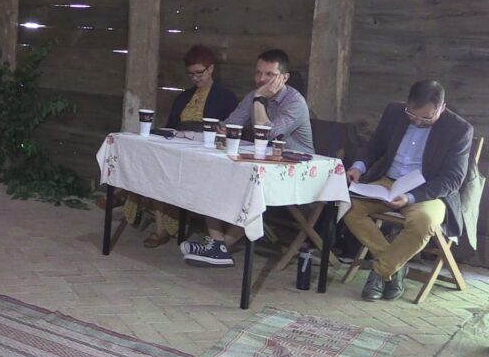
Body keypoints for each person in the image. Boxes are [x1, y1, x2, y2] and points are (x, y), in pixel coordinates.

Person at [181, 49, 314, 267]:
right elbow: (228, 125)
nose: (261, 79)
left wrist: (260, 99)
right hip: (262, 164)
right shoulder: (253, 96)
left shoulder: (294, 102)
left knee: (249, 188)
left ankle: (219, 247)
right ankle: (218, 244)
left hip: (295, 171)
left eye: (269, 74)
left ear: (284, 78)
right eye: (258, 73)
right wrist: (217, 131)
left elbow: (266, 133)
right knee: (211, 175)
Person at [344, 80, 473, 301]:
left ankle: (383, 270)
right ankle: (397, 265)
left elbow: (452, 179)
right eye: (412, 114)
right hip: (387, 181)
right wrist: (358, 167)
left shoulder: (459, 129)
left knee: (424, 222)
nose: (417, 121)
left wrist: (411, 197)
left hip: (428, 191)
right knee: (347, 205)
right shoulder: (395, 111)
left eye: (426, 118)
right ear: (407, 103)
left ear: (442, 108)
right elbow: (375, 145)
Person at [137, 45, 238, 247]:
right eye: (191, 74)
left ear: (211, 69)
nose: (195, 78)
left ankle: (123, 197)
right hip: (180, 144)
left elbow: (228, 131)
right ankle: (160, 228)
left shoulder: (225, 97)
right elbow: (171, 126)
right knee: (153, 164)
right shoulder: (184, 96)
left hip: (205, 150)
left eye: (199, 73)